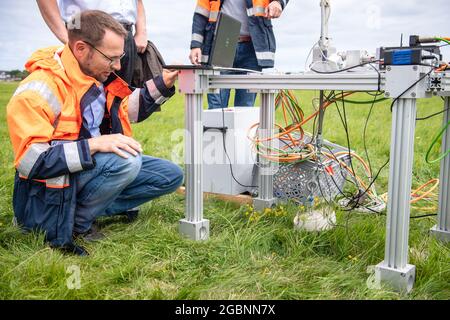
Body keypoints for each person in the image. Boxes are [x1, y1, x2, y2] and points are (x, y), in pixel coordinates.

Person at [6, 10, 182, 256]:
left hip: (84, 173)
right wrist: (95, 145)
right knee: (126, 162)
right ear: (80, 49)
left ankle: (81, 210)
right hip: (48, 193)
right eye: (111, 58)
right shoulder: (38, 89)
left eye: (120, 57)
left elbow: (125, 110)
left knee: (170, 175)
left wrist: (163, 83)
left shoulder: (95, 76)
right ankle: (74, 224)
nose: (118, 66)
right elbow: (31, 162)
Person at [189, 0, 288, 109]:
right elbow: (200, 14)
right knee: (216, 108)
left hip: (251, 50)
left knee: (245, 110)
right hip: (221, 47)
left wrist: (278, 2)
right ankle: (215, 127)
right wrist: (196, 45)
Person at [36, 0, 148, 85]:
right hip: (88, 34)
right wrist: (67, 38)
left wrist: (141, 32)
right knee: (84, 105)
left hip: (125, 35)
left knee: (119, 104)